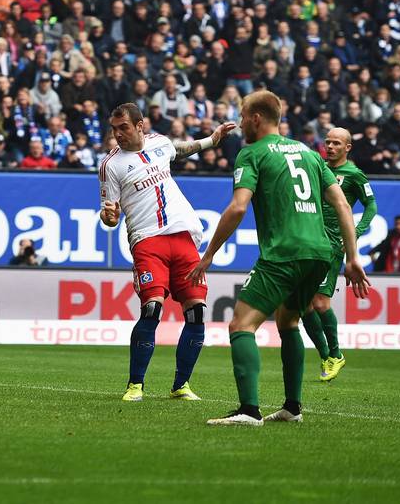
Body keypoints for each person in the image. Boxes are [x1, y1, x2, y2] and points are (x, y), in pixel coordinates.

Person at [188, 91, 368, 425]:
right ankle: (292, 408)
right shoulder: (310, 154)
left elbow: (239, 206)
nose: (241, 123)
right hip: (319, 254)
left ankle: (248, 410)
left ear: (256, 118)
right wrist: (352, 257)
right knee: (288, 322)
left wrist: (208, 254)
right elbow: (343, 205)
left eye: (243, 116)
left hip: (284, 253)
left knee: (241, 324)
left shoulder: (252, 153)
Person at [100, 103, 237, 402]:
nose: (118, 134)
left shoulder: (159, 143)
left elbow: (179, 150)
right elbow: (109, 213)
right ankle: (135, 384)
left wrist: (211, 141)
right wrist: (109, 217)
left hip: (184, 236)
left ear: (140, 125)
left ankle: (181, 385)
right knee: (152, 308)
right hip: (147, 240)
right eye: (114, 129)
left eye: (123, 127)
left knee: (197, 311)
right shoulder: (111, 165)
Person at [301, 128, 377, 383]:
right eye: (328, 142)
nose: (330, 146)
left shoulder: (354, 175)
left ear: (348, 147)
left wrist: (354, 233)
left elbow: (371, 206)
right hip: (308, 240)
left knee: (320, 303)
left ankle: (334, 353)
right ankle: (328, 356)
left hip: (332, 245)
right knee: (301, 304)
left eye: (336, 143)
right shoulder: (317, 167)